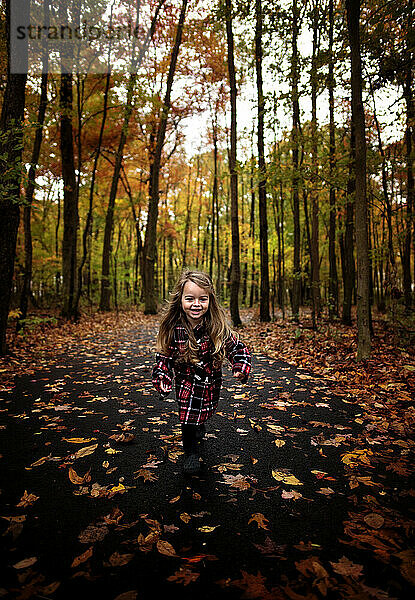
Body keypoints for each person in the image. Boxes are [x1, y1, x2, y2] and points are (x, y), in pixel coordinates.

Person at [152, 270, 251, 475]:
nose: (196, 304)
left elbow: (238, 349)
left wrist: (240, 368)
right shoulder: (175, 329)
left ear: (210, 300)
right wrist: (162, 377)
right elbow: (164, 357)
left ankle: (199, 425)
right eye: (190, 299)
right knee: (187, 418)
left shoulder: (216, 328)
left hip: (210, 385)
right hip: (186, 386)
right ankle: (191, 453)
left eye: (202, 299)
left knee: (203, 413)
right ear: (180, 300)